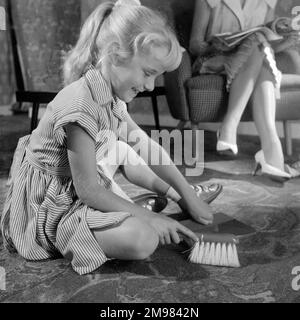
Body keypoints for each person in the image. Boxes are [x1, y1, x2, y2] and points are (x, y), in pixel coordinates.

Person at [1, 0, 220, 275]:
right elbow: (89, 191)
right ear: (116, 55)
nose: (150, 86)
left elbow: (148, 147)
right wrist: (150, 219)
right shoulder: (79, 106)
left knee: (123, 148)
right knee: (144, 239)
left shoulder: (110, 96)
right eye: (148, 73)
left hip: (79, 180)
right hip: (53, 204)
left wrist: (187, 195)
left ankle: (135, 206)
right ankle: (120, 214)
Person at [189, 0, 300, 180]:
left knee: (259, 45)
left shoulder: (267, 2)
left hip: (255, 59)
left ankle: (230, 128)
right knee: (259, 48)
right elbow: (195, 44)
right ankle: (272, 153)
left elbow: (268, 43)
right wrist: (219, 44)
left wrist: (287, 41)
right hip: (215, 58)